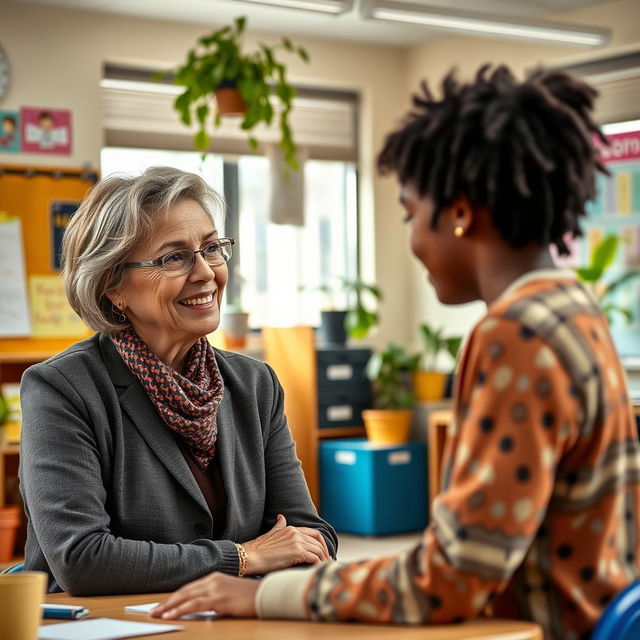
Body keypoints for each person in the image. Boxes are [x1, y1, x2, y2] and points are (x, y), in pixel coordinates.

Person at [151, 66, 640, 639]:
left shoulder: (517, 333)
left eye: (410, 214)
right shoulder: (572, 307)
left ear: (459, 213)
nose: (411, 240)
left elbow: (452, 578)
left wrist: (263, 595)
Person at [19, 166, 337, 595]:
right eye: (174, 257)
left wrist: (289, 554)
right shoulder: (62, 389)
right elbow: (81, 558)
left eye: (211, 248)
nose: (206, 272)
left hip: (228, 623)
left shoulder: (254, 385)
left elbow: (309, 535)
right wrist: (244, 557)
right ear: (113, 287)